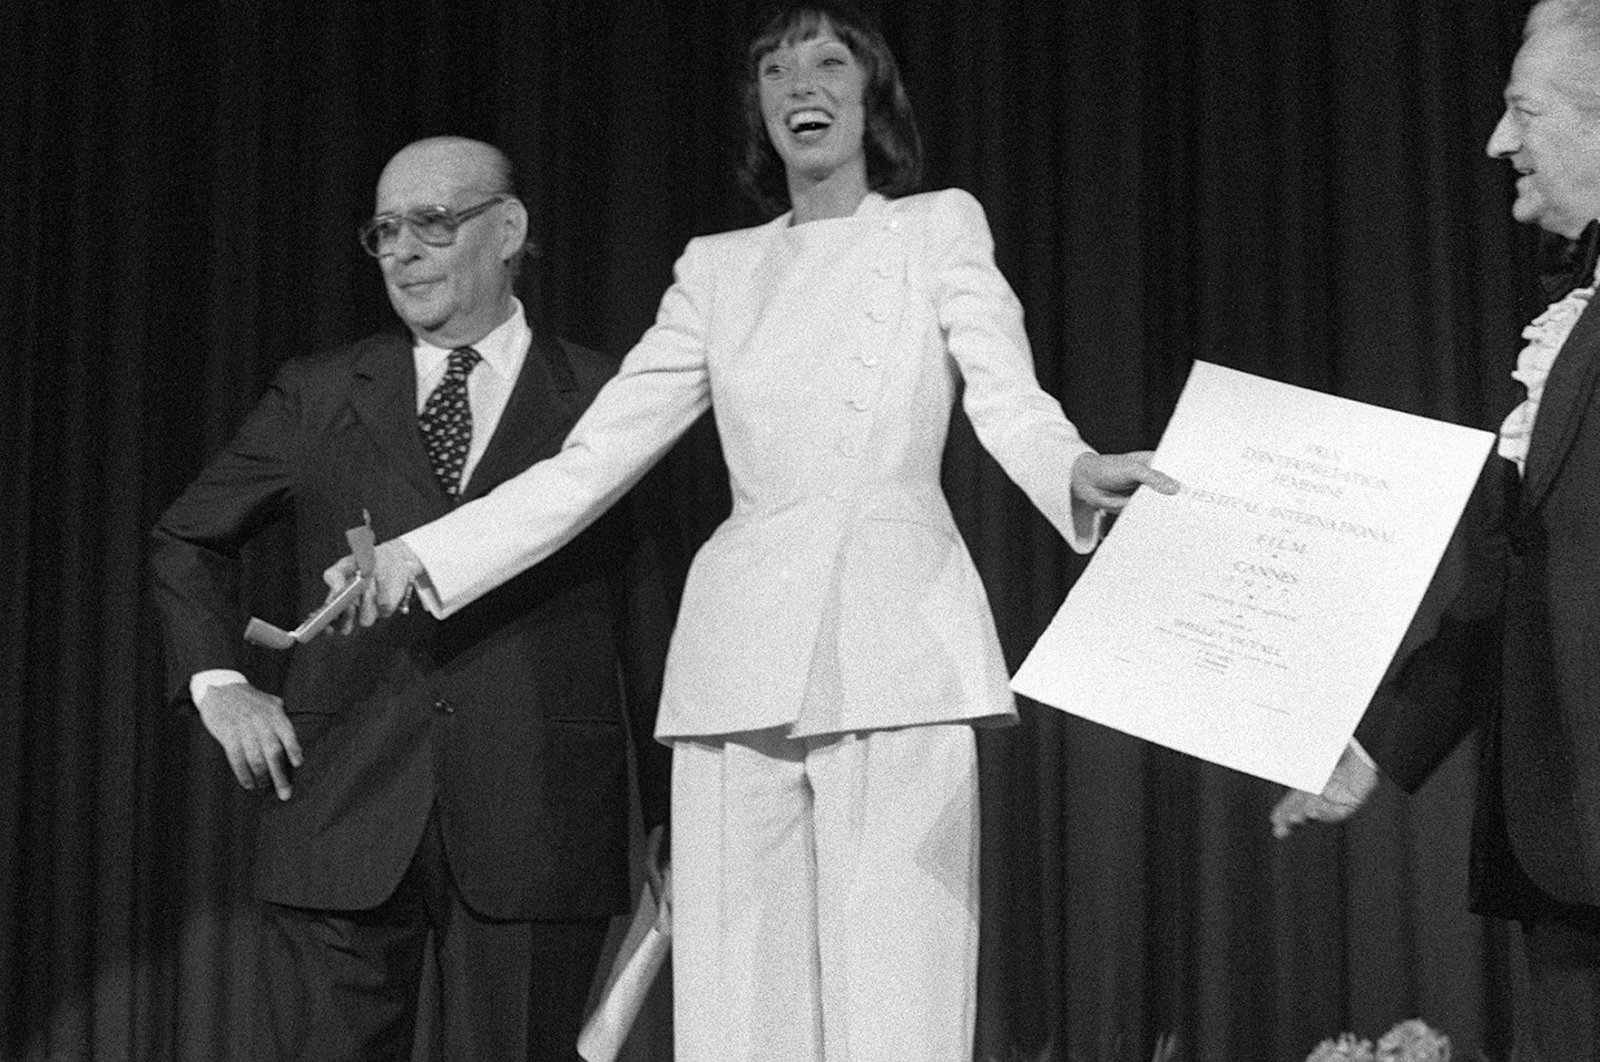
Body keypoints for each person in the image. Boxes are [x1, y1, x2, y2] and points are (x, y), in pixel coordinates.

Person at [332, 6, 1176, 1060]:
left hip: (899, 639)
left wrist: (1074, 469)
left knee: (900, 991)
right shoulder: (717, 269)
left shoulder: (936, 227)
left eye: (828, 61)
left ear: (873, 99)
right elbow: (592, 462)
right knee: (736, 1004)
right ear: (759, 112)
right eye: (775, 68)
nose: (798, 84)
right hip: (737, 652)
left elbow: (1006, 397)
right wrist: (420, 554)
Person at [148, 136, 676, 1062]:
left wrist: (681, 811)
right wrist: (220, 684)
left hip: (542, 820)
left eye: (432, 222)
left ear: (508, 229)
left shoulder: (607, 397)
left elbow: (653, 617)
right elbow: (187, 538)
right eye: (384, 229)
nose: (402, 249)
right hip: (339, 811)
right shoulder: (320, 393)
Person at [1271, 2, 1600, 1056]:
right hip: (1571, 851)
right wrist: (1378, 746)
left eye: (1522, 111)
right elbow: (1510, 575)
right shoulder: (1572, 323)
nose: (1500, 142)